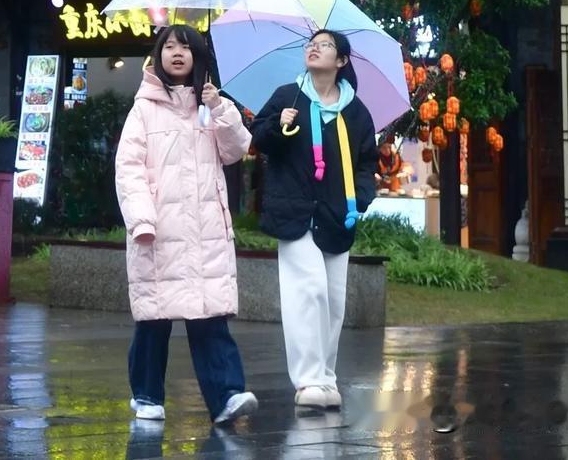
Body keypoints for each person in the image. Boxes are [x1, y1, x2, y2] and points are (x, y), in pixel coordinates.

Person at [114, 24, 258, 429]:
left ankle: (227, 395)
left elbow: (235, 151)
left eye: (185, 47)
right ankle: (146, 395)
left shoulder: (210, 106)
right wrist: (141, 218)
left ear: (198, 55)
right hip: (157, 232)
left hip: (205, 232)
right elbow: (128, 169)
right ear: (158, 55)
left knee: (210, 318)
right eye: (169, 46)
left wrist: (221, 110)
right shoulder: (143, 108)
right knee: (153, 321)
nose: (177, 53)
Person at [252, 30, 379, 413]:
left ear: (341, 61)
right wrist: (279, 125)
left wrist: (362, 199)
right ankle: (308, 380)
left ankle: (326, 377)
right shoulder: (286, 96)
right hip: (293, 212)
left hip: (337, 215)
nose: (314, 47)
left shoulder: (356, 111)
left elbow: (367, 162)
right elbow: (259, 139)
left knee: (334, 300)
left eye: (324, 45)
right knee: (308, 292)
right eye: (312, 43)